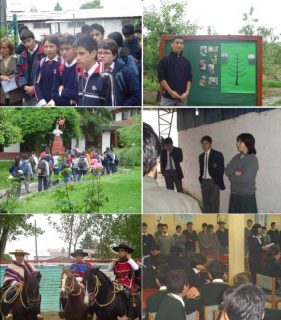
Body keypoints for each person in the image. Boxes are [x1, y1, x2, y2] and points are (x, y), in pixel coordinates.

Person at [143, 122, 201, 213]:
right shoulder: (163, 152)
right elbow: (162, 161)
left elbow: (180, 159)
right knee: (169, 190)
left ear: (172, 144)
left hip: (176, 171)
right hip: (167, 172)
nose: (168, 147)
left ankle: (180, 203)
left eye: (169, 145)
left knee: (179, 189)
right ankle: (172, 204)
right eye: (167, 145)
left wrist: (172, 152)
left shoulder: (178, 150)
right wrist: (163, 172)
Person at [1, 249, 42, 320]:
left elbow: (35, 274)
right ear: (15, 256)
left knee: (38, 295)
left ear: (23, 256)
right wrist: (14, 282)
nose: (19, 256)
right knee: (10, 293)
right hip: (15, 284)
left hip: (26, 285)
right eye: (17, 255)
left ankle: (38, 314)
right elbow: (8, 276)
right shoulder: (11, 266)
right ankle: (8, 313)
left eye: (21, 255)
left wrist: (35, 279)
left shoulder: (28, 265)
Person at [97, 39, 139, 106]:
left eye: (106, 53)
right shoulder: (94, 71)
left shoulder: (125, 72)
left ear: (114, 56)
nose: (102, 56)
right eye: (99, 53)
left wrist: (124, 106)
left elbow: (135, 95)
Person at [73, 36, 112, 106]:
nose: (77, 58)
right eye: (76, 54)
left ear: (93, 54)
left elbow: (111, 102)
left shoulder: (106, 76)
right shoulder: (79, 74)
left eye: (81, 54)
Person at [225, 133, 259, 213]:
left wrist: (231, 177)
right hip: (234, 194)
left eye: (240, 142)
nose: (237, 144)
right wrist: (235, 173)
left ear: (247, 143)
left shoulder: (253, 159)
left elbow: (245, 178)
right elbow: (227, 170)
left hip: (246, 196)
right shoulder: (237, 157)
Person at [157, 36, 192, 106]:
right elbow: (161, 78)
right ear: (172, 44)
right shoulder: (164, 60)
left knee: (182, 116)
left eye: (181, 43)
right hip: (167, 98)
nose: (179, 45)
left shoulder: (187, 62)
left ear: (183, 46)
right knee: (163, 116)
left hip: (182, 99)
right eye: (177, 42)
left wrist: (187, 93)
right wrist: (171, 92)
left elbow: (189, 79)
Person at [15, 29, 45, 105]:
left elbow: (45, 74)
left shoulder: (43, 53)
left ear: (34, 38)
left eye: (29, 41)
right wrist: (25, 86)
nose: (27, 44)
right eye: (24, 42)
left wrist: (34, 87)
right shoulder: (22, 55)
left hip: (41, 93)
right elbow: (18, 74)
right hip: (26, 93)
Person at [109, 244, 140, 315]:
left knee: (126, 293)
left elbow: (136, 268)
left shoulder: (130, 261)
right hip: (117, 282)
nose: (120, 252)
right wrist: (113, 262)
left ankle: (127, 314)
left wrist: (130, 259)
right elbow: (109, 269)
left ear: (126, 252)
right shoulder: (117, 262)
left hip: (127, 282)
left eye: (122, 251)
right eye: (119, 251)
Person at [199, 135, 225, 213]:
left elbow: (221, 169)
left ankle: (214, 222)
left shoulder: (217, 154)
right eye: (203, 143)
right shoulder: (201, 156)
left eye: (206, 143)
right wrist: (201, 180)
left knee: (214, 205)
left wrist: (217, 181)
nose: (204, 145)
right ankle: (208, 220)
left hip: (214, 182)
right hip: (204, 182)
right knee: (206, 204)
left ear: (210, 144)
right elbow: (201, 170)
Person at [52, 35, 78, 106]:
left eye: (67, 49)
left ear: (75, 49)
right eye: (61, 49)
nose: (64, 52)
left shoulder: (80, 68)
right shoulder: (60, 67)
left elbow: (78, 94)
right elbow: (54, 94)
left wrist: (62, 91)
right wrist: (69, 101)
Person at [34, 35, 60, 106]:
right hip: (43, 102)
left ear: (57, 47)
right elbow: (37, 84)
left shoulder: (62, 63)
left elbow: (63, 86)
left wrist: (52, 102)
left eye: (51, 46)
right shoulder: (41, 63)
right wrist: (42, 101)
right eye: (46, 46)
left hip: (58, 102)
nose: (48, 49)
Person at [0, 37, 22, 106]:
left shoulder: (17, 58)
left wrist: (13, 76)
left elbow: (23, 73)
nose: (1, 50)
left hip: (16, 95)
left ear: (9, 48)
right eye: (0, 48)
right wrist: (1, 77)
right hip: (2, 96)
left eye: (4, 48)